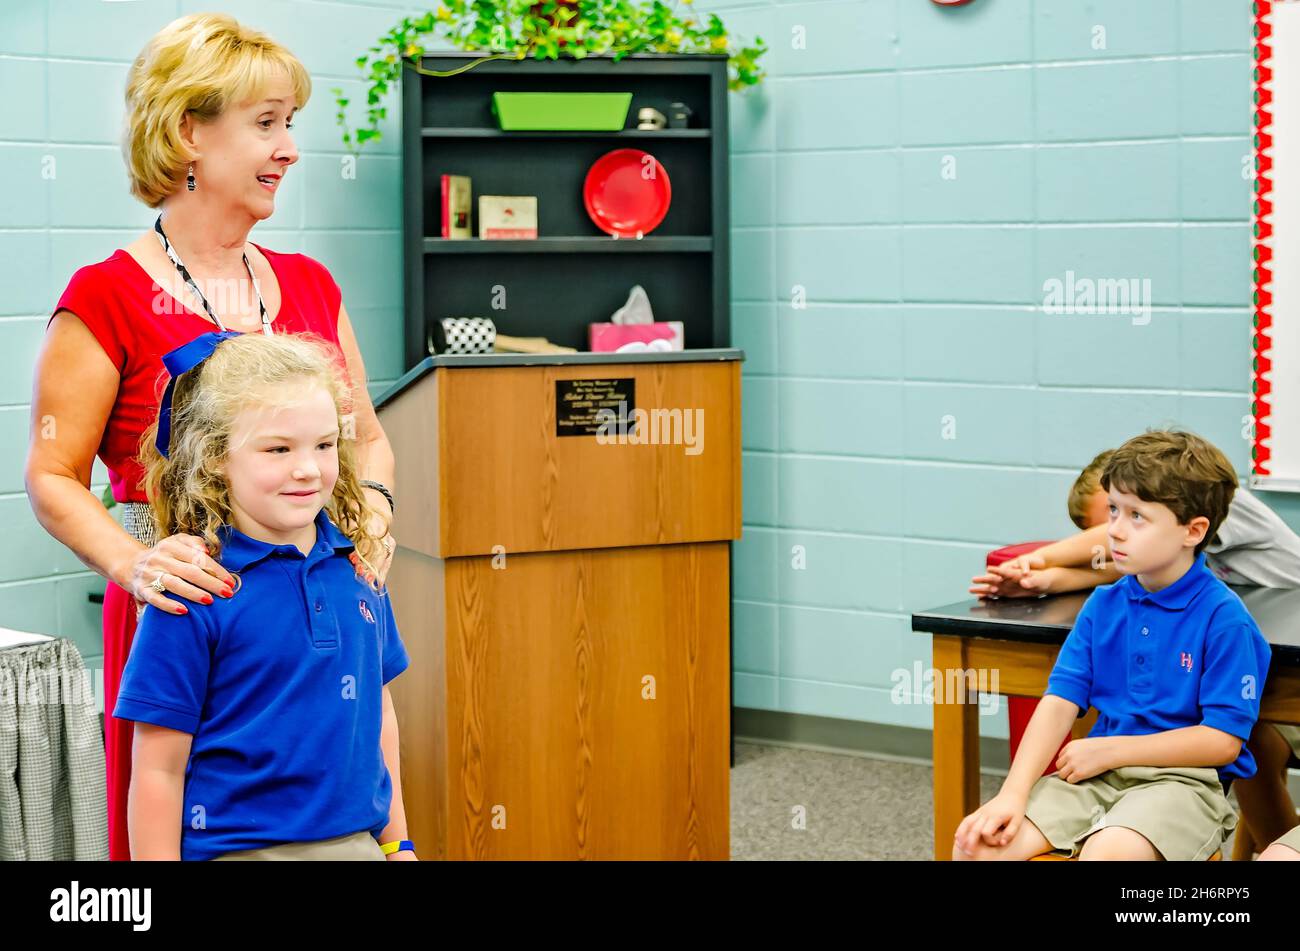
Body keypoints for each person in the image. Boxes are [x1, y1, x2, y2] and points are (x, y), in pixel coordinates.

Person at [24, 13, 397, 861]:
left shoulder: (310, 283)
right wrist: (135, 561)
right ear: (188, 130)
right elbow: (52, 472)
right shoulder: (108, 295)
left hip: (315, 598)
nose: (290, 148)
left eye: (290, 124)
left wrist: (371, 516)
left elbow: (369, 439)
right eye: (266, 123)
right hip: (185, 605)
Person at [115, 331, 412, 860]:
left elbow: (379, 714)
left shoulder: (358, 570)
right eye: (278, 448)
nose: (307, 468)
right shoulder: (194, 590)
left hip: (360, 846)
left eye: (324, 445)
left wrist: (397, 844)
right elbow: (157, 771)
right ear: (215, 459)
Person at [954, 430, 1271, 860]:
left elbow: (1222, 742)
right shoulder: (1102, 605)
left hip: (1180, 784)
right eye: (1114, 512)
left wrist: (1108, 750)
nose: (1115, 532)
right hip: (1096, 779)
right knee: (979, 848)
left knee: (1109, 853)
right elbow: (1058, 702)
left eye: (1136, 516)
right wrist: (1012, 794)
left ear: (1192, 531)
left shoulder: (1225, 620)